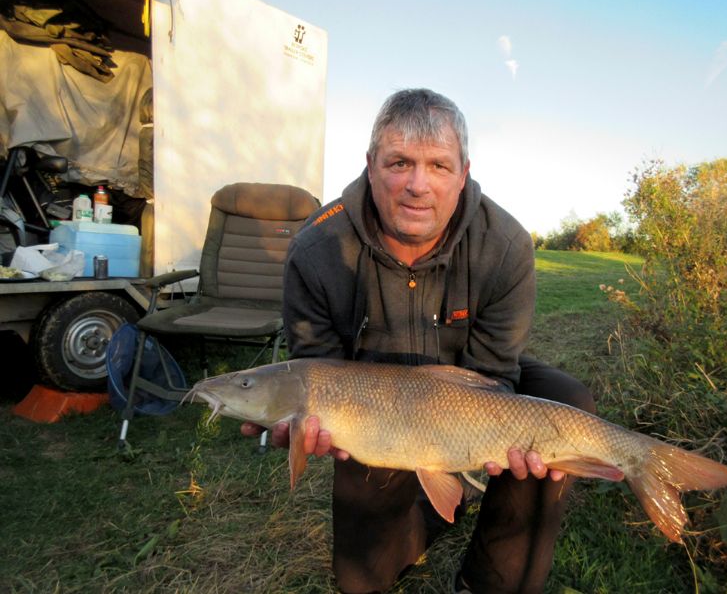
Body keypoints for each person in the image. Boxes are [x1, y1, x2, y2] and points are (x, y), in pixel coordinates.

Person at [242, 88, 596, 593]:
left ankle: (490, 581)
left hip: (468, 389)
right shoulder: (315, 250)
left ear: (464, 174)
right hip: (372, 405)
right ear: (370, 165)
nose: (417, 185)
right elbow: (315, 373)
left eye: (438, 166)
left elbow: (494, 374)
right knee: (362, 580)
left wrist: (484, 441)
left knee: (566, 401)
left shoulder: (506, 244)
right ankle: (434, 508)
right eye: (399, 162)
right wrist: (303, 428)